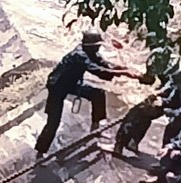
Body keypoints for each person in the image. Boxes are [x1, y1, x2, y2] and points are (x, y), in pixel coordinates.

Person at [34, 29, 144, 157]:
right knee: (54, 122)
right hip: (57, 87)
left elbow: (104, 65)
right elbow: (97, 70)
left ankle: (95, 127)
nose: (99, 48)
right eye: (97, 45)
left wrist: (124, 69)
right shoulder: (79, 55)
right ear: (92, 46)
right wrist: (124, 73)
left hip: (72, 84)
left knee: (98, 93)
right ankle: (40, 151)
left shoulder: (90, 52)